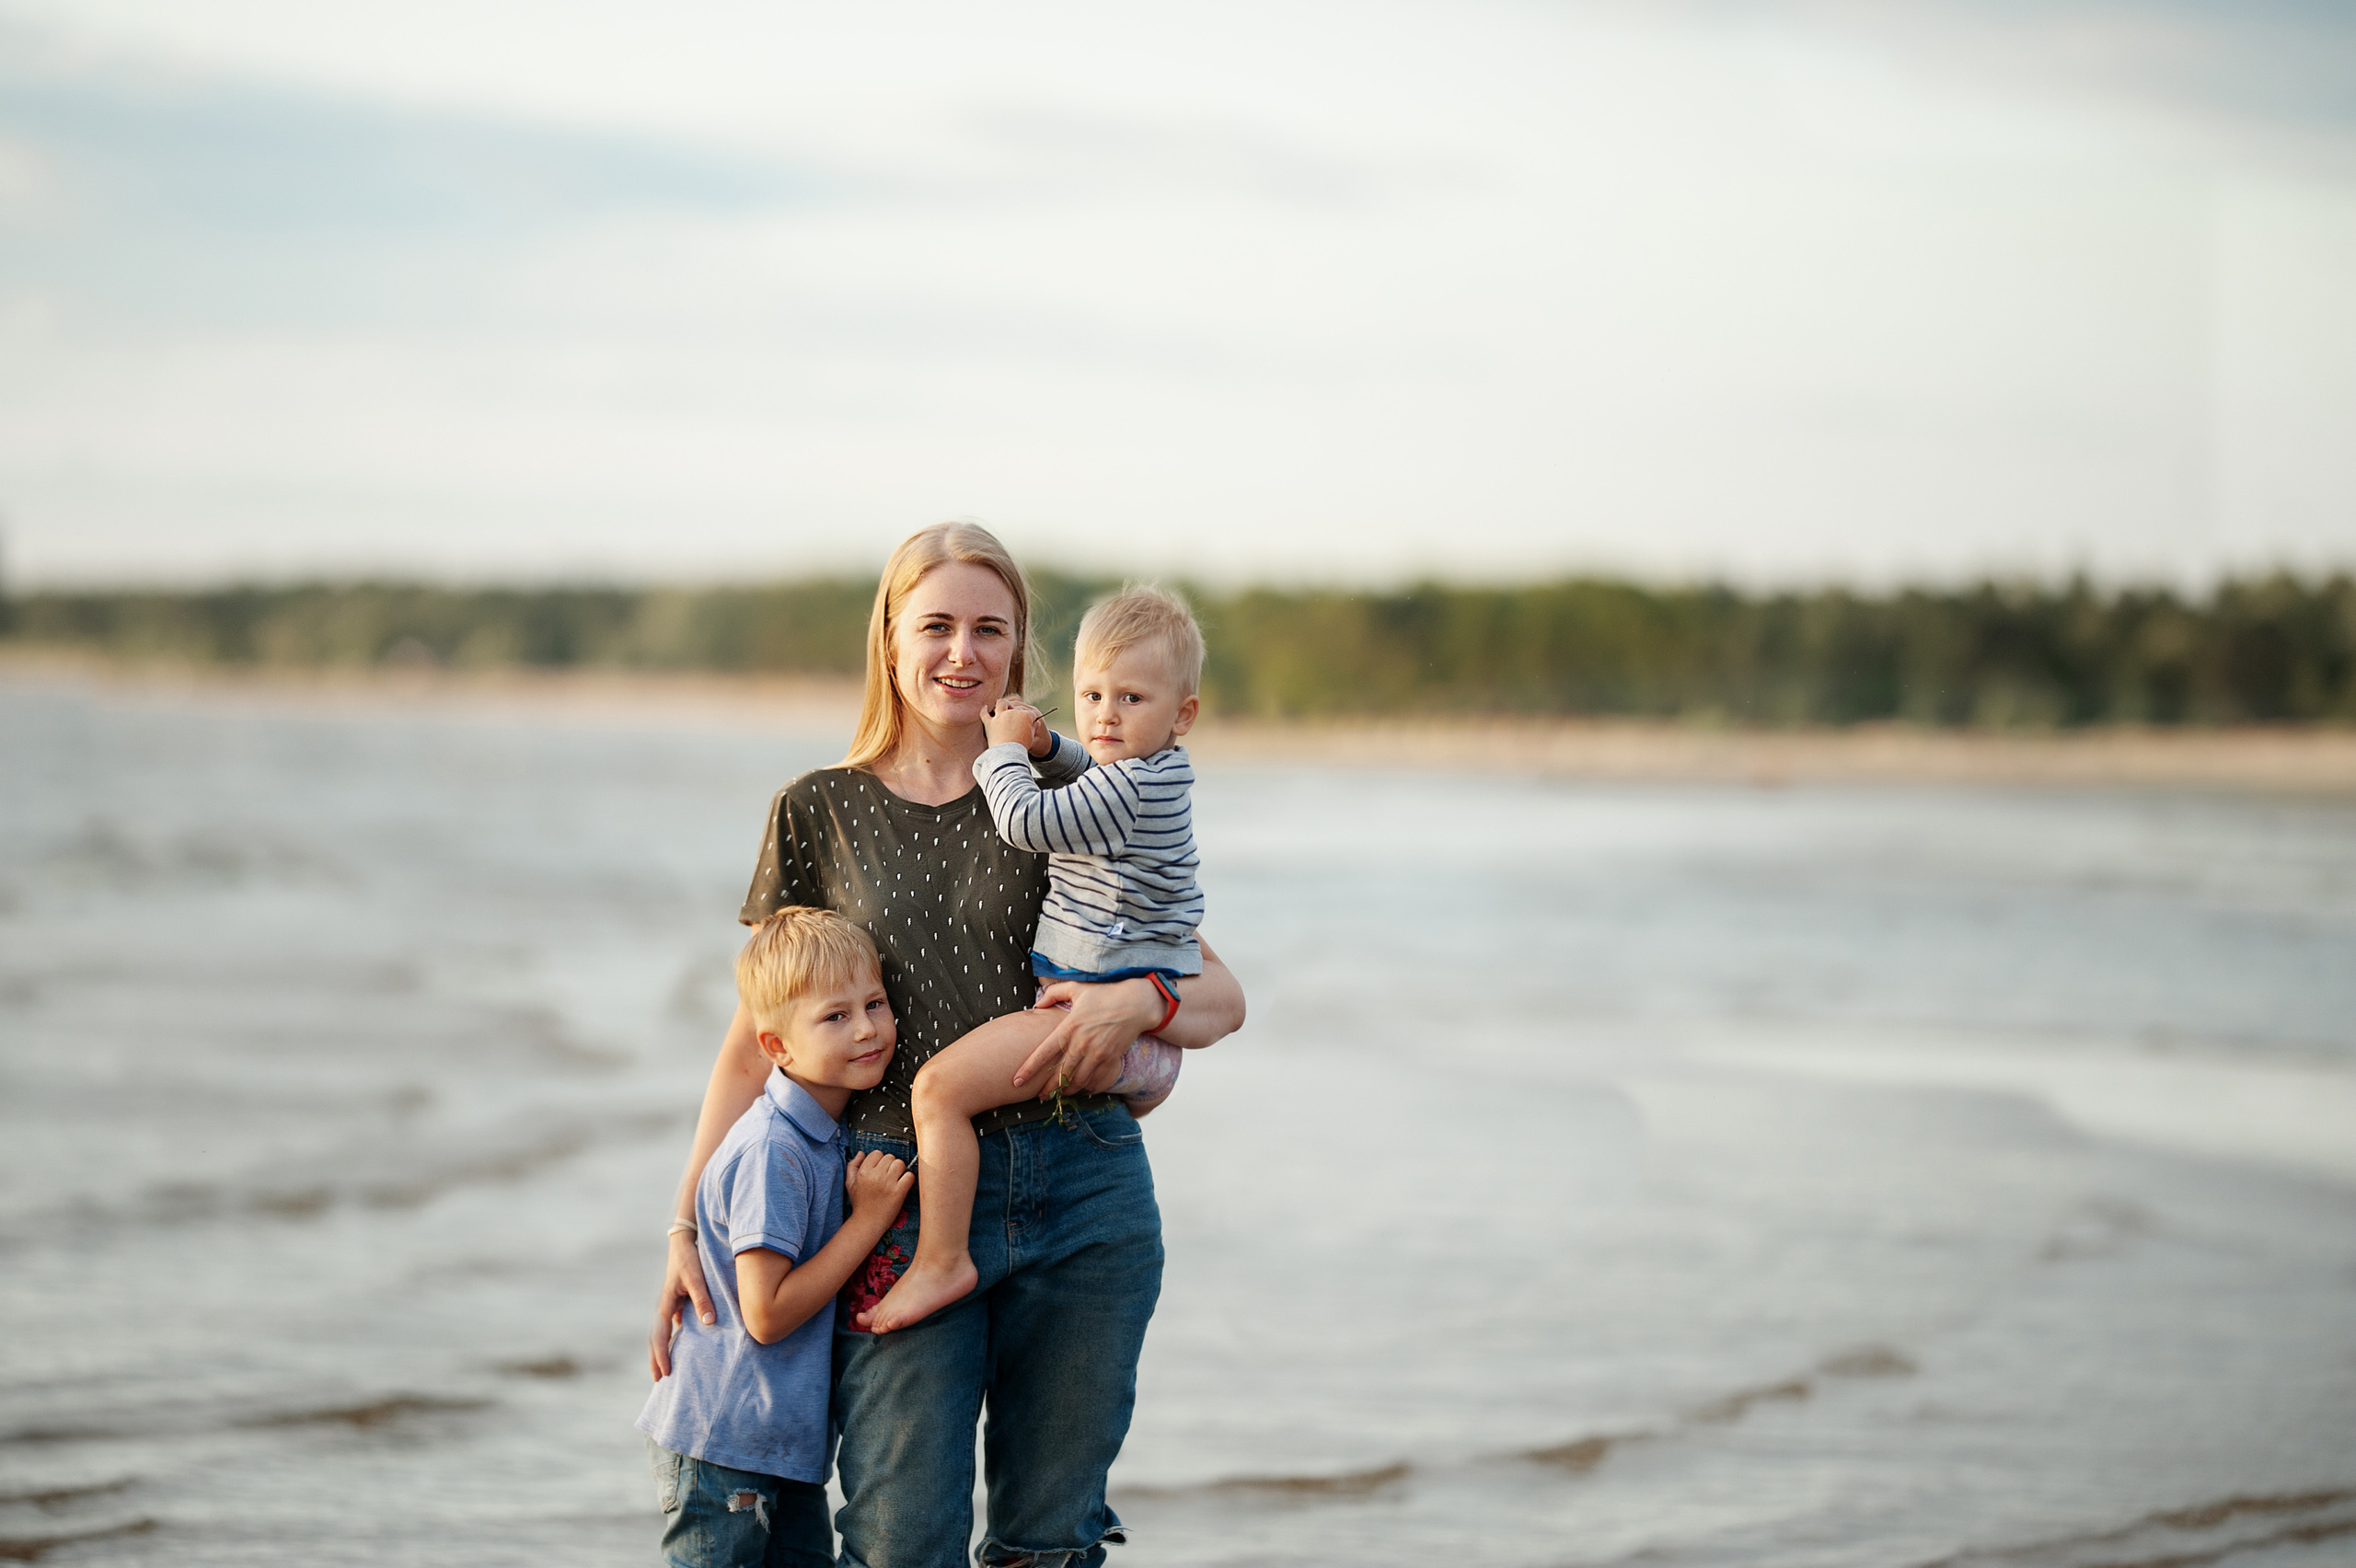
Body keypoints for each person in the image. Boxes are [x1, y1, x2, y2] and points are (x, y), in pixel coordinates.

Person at [647, 522, 1247, 1568]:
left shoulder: (1077, 791)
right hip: (896, 1199)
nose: (961, 653)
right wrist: (687, 1223)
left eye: (989, 630)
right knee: (897, 1542)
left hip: (1085, 1191)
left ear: (1020, 654)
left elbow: (1220, 996)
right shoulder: (817, 809)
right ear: (889, 640)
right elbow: (757, 1043)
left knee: (1049, 1545)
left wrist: (1136, 1005)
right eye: (936, 626)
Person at [859, 584, 1203, 1336]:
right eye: (1090, 695)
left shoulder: (1129, 795)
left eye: (1131, 698)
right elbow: (1093, 768)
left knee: (941, 1089)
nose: (1106, 715)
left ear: (1182, 715)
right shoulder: (1151, 773)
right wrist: (1048, 748)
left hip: (1091, 1010)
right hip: (1114, 1029)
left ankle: (942, 1259)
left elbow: (1022, 819)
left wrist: (1006, 753)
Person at [639, 906, 916, 1568]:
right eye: (835, 1017)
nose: (869, 1029)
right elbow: (766, 1314)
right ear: (776, 1048)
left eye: (875, 1003)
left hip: (774, 1445)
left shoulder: (819, 1133)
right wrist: (868, 1222)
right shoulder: (775, 1151)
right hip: (723, 1446)